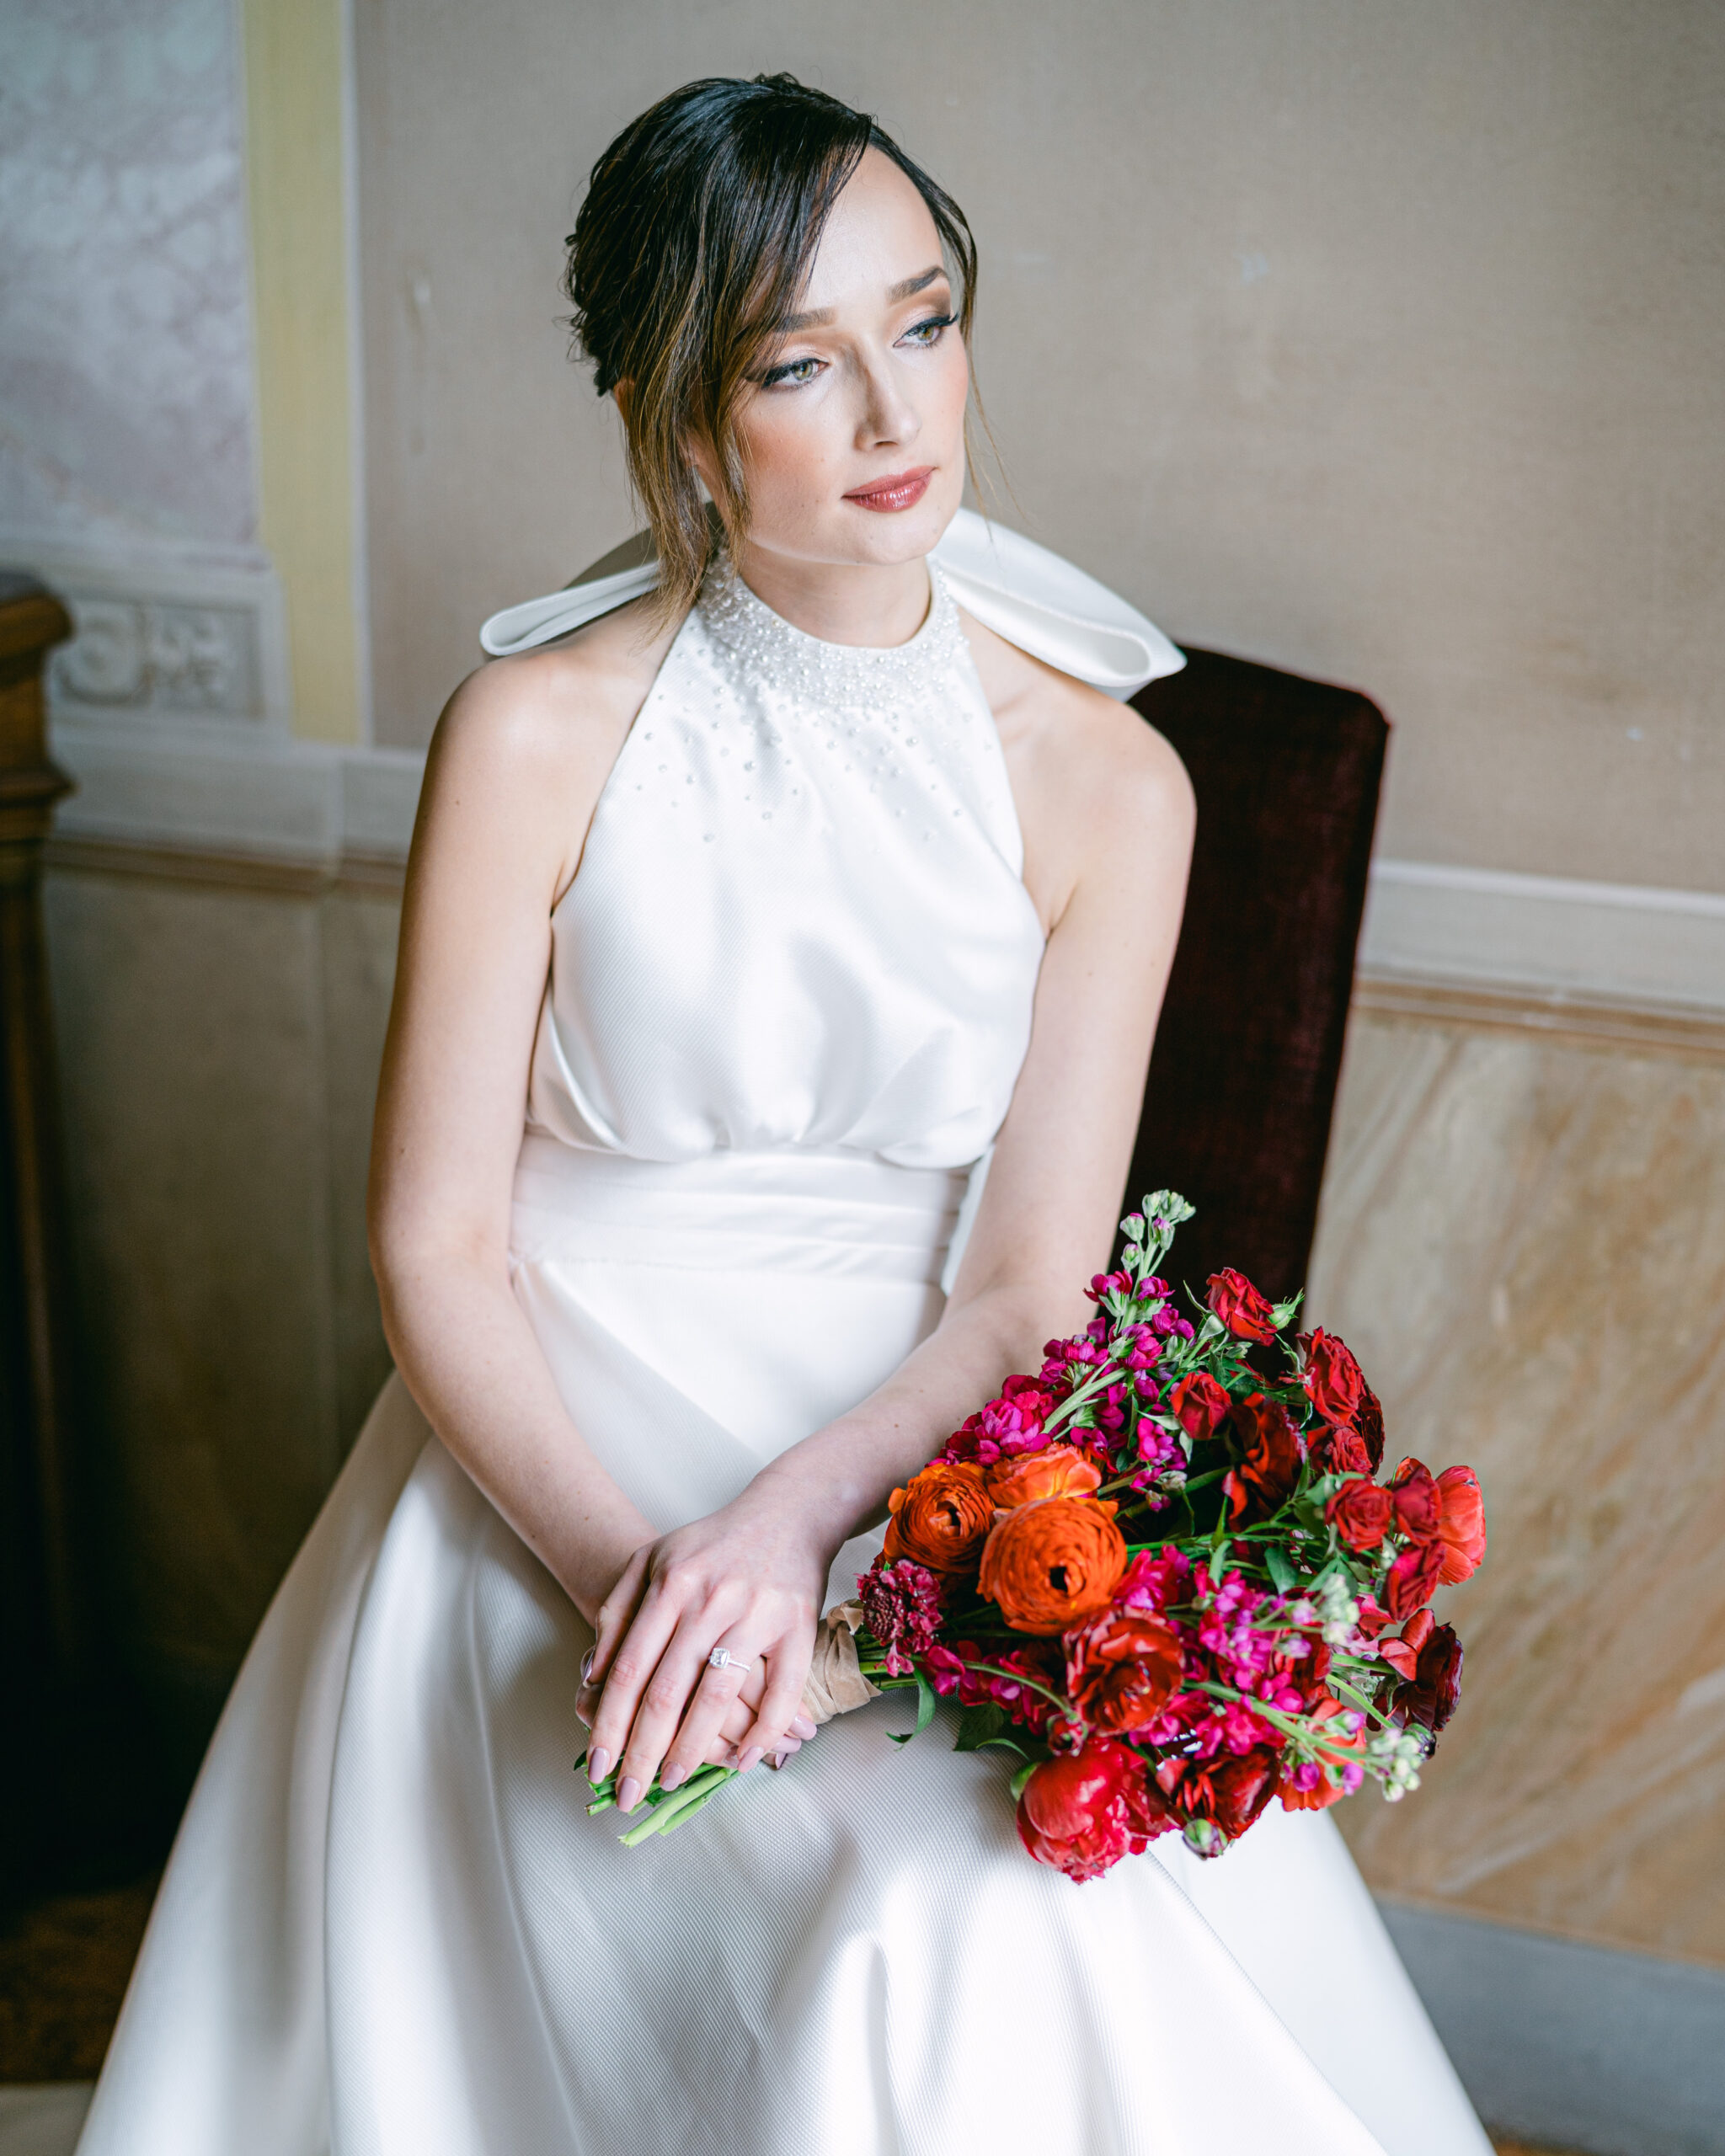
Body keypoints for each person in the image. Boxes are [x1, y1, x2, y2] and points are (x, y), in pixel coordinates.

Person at [77, 73, 1493, 2156]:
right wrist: (640, 1578)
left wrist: (787, 1538)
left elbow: (1028, 1287)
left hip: (906, 1447)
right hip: (549, 1432)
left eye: (924, 323)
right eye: (801, 365)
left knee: (982, 1912)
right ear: (677, 411)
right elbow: (433, 1244)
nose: (898, 417)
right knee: (803, 1907)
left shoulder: (1110, 779)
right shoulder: (535, 730)